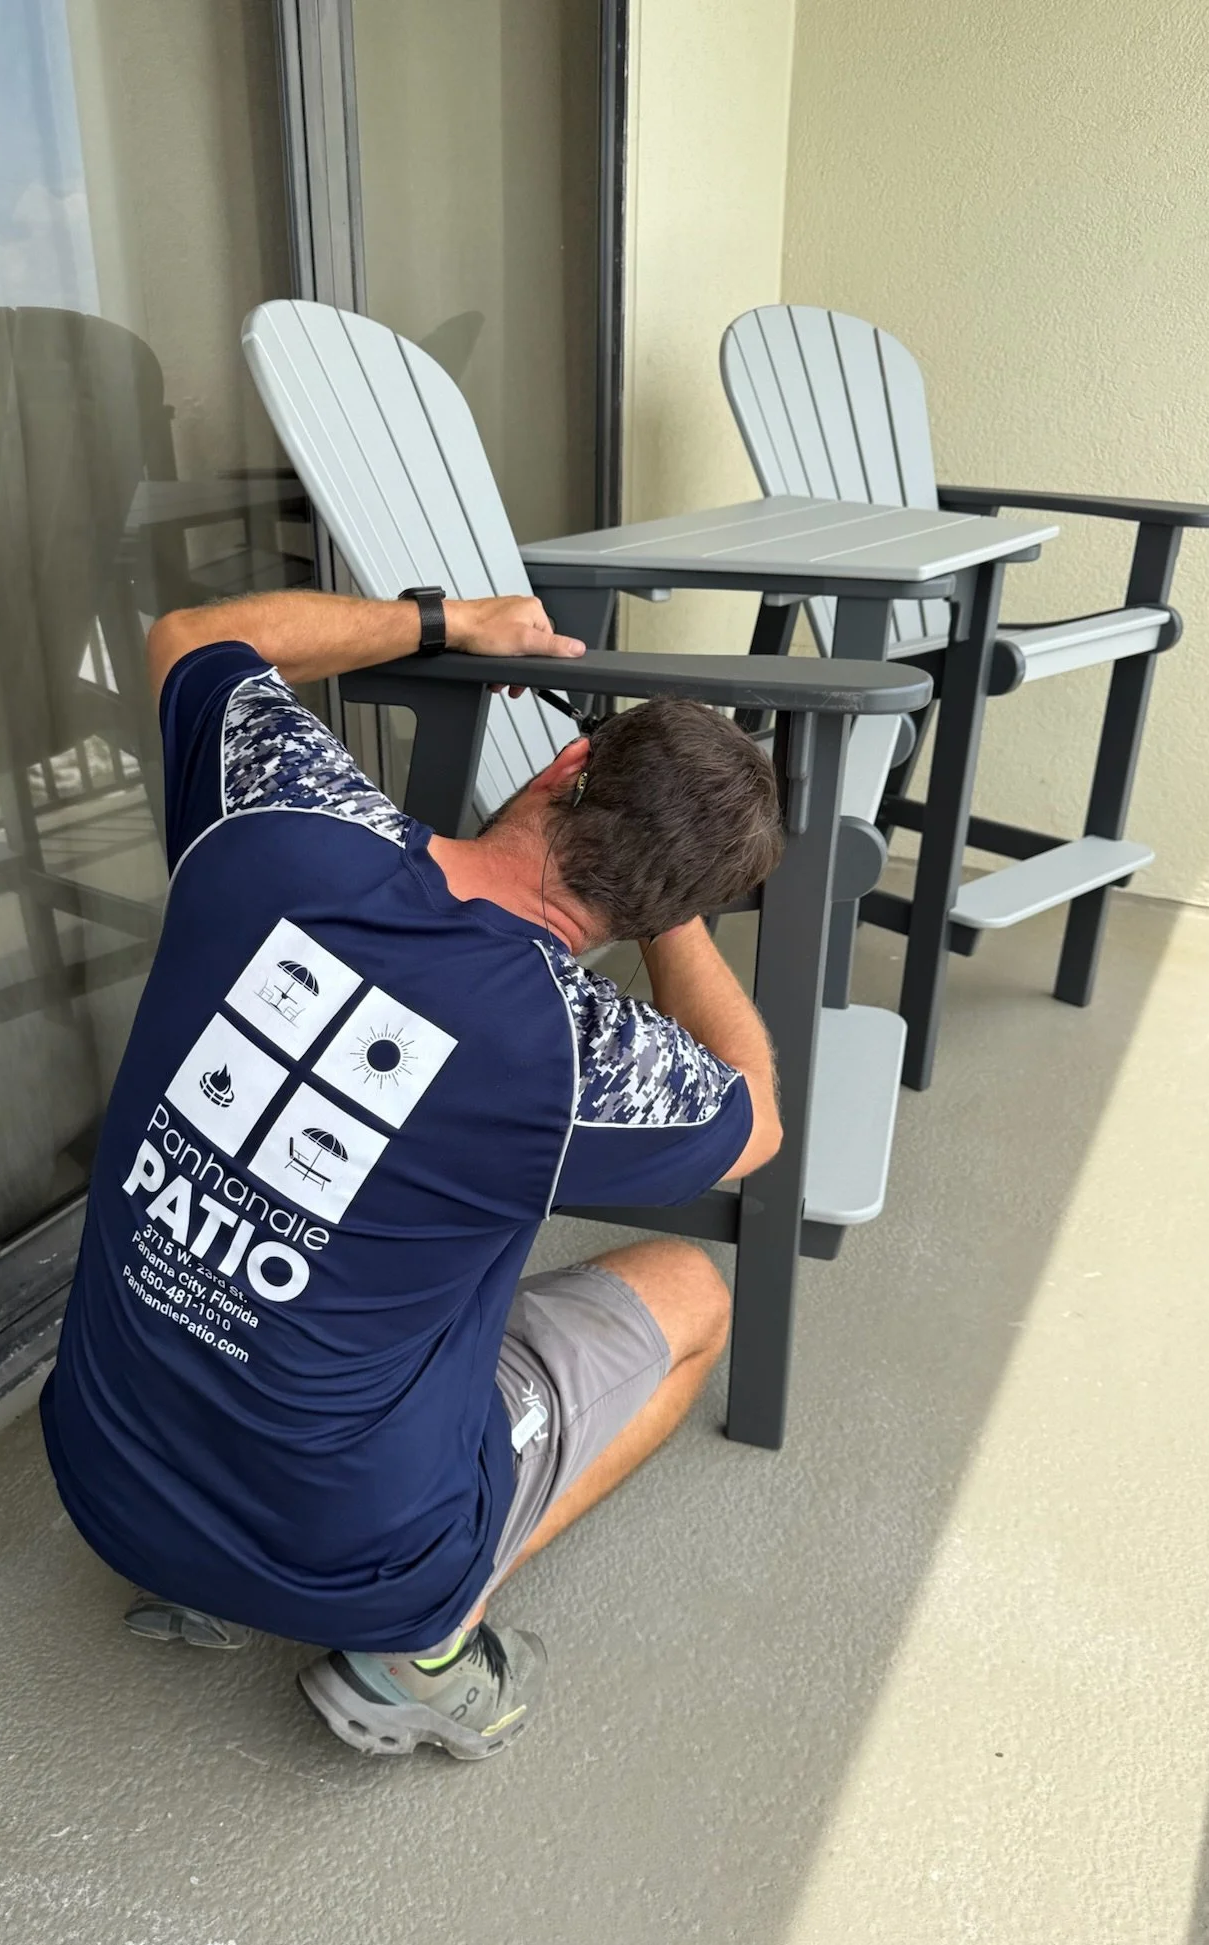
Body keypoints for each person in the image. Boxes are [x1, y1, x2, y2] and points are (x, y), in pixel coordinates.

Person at [40, 584, 786, 1761]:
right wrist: (667, 904)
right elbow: (753, 1117)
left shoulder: (288, 823)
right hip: (347, 1553)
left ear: (565, 764)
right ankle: (422, 1645)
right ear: (662, 909)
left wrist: (447, 621)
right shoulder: (571, 1056)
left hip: (103, 1480)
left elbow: (190, 638)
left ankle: (228, 1566)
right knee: (693, 1296)